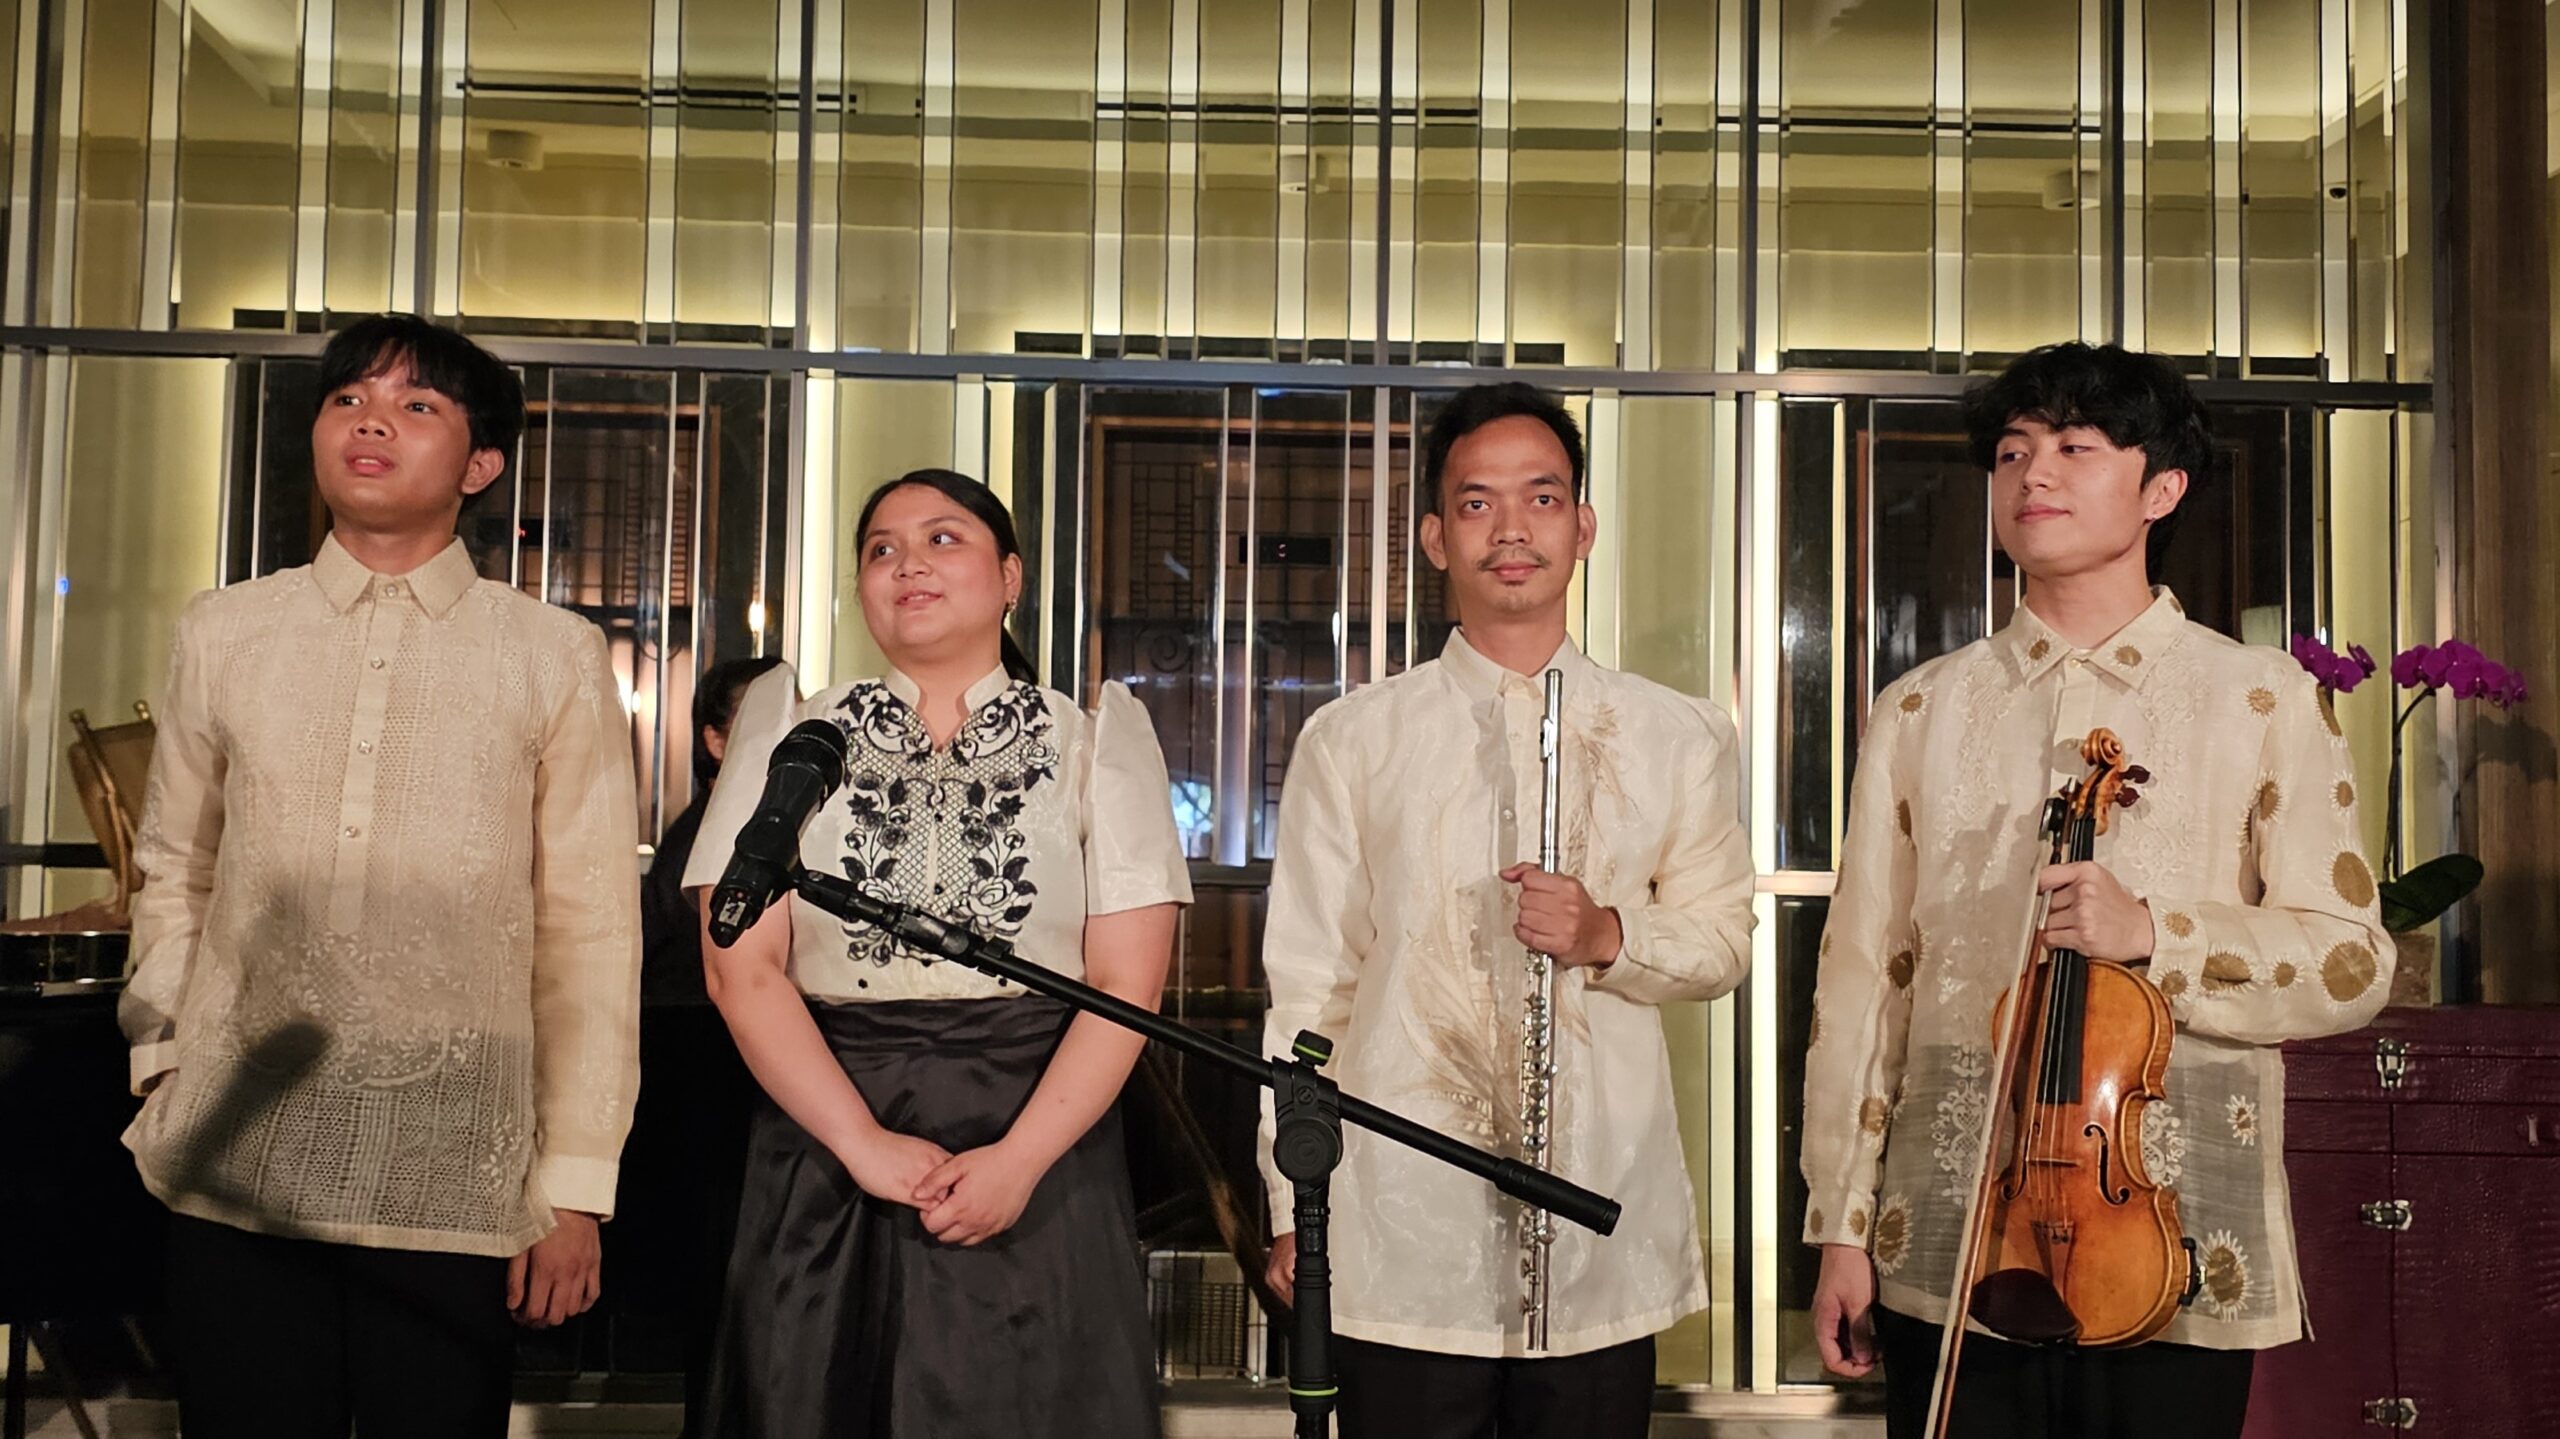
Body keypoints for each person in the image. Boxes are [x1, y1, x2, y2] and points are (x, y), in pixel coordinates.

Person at [1800, 342, 2393, 1439]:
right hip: (1954, 1223)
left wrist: (2154, 936)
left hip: (2170, 1221)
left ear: (2160, 487)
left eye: (2075, 446)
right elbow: (1865, 980)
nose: (2033, 474)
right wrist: (1840, 1219)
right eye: (2014, 450)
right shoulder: (1921, 710)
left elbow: (2349, 959)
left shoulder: (2260, 697)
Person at [122, 312, 642, 1439]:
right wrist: (162, 1051)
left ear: (480, 463)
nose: (372, 421)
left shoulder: (550, 652)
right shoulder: (226, 628)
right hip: (235, 1145)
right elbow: (176, 866)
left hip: (459, 1160)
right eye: (348, 396)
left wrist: (578, 1179)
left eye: (418, 406)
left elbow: (591, 931)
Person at [1257, 382, 1755, 1439]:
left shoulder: (1680, 734)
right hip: (1401, 1217)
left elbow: (1721, 942)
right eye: (1476, 503)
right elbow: (1312, 982)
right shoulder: (1354, 740)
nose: (1511, 528)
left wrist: (1606, 934)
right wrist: (1287, 1193)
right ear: (1435, 536)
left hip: (1598, 1213)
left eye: (1541, 497)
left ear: (1581, 524)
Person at [684, 468, 1192, 1438]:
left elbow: (1127, 981)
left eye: (941, 538)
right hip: (828, 1129)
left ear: (1009, 578)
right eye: (881, 547)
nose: (906, 561)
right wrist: (861, 1143)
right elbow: (737, 965)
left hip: (1038, 1139)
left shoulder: (1090, 741)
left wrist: (1019, 1160)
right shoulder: (793, 731)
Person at [629, 652, 783, 1437]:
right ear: (717, 741)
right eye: (761, 721)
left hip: (720, 1076)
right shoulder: (714, 841)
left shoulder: (768, 835)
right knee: (724, 1293)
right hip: (704, 1079)